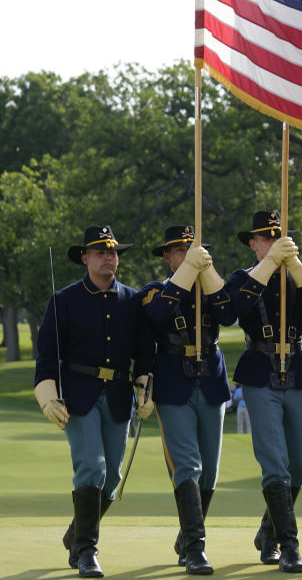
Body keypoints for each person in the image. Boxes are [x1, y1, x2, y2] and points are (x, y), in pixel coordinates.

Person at [34, 225, 153, 578]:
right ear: (85, 258)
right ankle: (87, 551)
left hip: (118, 396)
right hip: (78, 395)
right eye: (101, 252)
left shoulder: (133, 301)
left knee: (113, 476)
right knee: (91, 466)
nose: (109, 257)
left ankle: (76, 533)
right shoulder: (64, 300)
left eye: (113, 252)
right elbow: (46, 355)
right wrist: (46, 395)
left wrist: (145, 385)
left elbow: (144, 353)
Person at [225, 210, 302, 573]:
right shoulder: (242, 278)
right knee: (274, 463)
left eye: (277, 237)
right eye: (265, 238)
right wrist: (268, 265)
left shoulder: (297, 274)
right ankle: (289, 545)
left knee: (299, 464)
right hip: (259, 370)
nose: (271, 243)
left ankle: (268, 531)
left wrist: (295, 265)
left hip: (296, 368)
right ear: (253, 243)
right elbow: (234, 309)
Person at [140, 225, 235, 574]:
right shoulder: (154, 290)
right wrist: (186, 272)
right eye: (179, 251)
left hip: (210, 377)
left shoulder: (212, 287)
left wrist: (206, 271)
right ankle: (196, 548)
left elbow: (228, 314)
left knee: (209, 471)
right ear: (167, 257)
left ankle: (186, 534)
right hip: (173, 381)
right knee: (187, 466)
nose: (186, 255)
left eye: (192, 249)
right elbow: (158, 314)